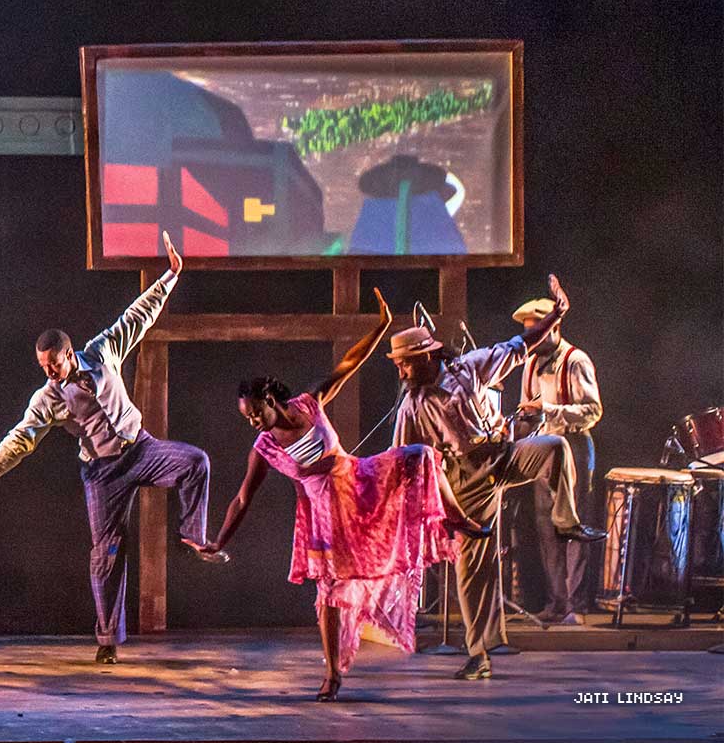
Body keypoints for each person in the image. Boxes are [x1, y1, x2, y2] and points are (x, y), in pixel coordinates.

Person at [0, 233, 223, 665]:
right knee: (106, 552)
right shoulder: (47, 397)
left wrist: (170, 276)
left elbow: (137, 316)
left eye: (54, 364)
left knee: (195, 461)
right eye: (43, 368)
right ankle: (107, 639)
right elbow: (21, 439)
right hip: (103, 473)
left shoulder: (103, 350)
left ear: (69, 354)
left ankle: (192, 535)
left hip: (140, 450)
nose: (49, 372)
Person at [190, 289, 489, 701]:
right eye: (248, 418)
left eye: (257, 412)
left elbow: (348, 364)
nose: (254, 421)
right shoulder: (264, 448)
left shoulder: (309, 405)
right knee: (329, 593)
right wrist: (219, 540)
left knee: (421, 455)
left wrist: (380, 326)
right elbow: (243, 499)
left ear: (271, 401)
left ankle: (454, 517)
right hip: (324, 515)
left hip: (359, 481)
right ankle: (332, 674)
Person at [386, 274, 595, 681]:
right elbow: (404, 460)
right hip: (465, 482)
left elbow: (519, 347)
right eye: (398, 366)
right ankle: (479, 653)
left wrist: (556, 314)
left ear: (427, 356)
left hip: (501, 454)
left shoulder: (467, 368)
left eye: (405, 364)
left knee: (555, 446)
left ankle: (565, 521)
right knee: (473, 572)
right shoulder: (412, 406)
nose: (401, 373)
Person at [510, 297, 604, 625]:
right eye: (529, 334)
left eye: (537, 332)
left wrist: (549, 411)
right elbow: (525, 411)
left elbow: (593, 411)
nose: (532, 340)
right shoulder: (531, 364)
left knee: (571, 526)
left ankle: (575, 605)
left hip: (574, 447)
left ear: (554, 327)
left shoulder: (576, 360)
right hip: (543, 452)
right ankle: (556, 603)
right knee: (546, 527)